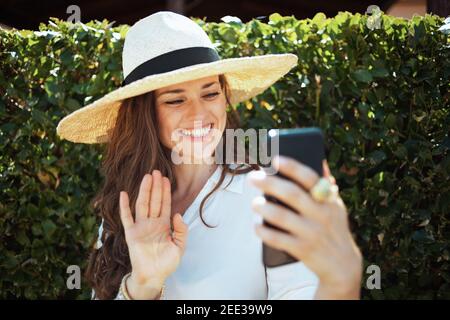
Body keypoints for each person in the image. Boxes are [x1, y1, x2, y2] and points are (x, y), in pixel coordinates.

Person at [56, 11, 362, 300]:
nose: (199, 114)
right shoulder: (126, 207)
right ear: (144, 115)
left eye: (211, 93)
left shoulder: (269, 195)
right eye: (176, 100)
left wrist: (342, 280)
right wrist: (143, 284)